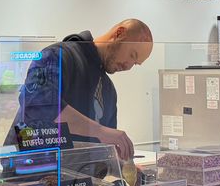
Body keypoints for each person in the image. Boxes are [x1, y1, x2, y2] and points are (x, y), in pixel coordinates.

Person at [13, 19, 153, 160]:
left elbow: (107, 152)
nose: (128, 66)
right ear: (119, 33)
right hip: (30, 168)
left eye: (135, 63)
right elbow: (38, 106)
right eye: (132, 55)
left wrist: (123, 166)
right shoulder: (57, 55)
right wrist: (100, 131)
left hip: (74, 173)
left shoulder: (108, 90)